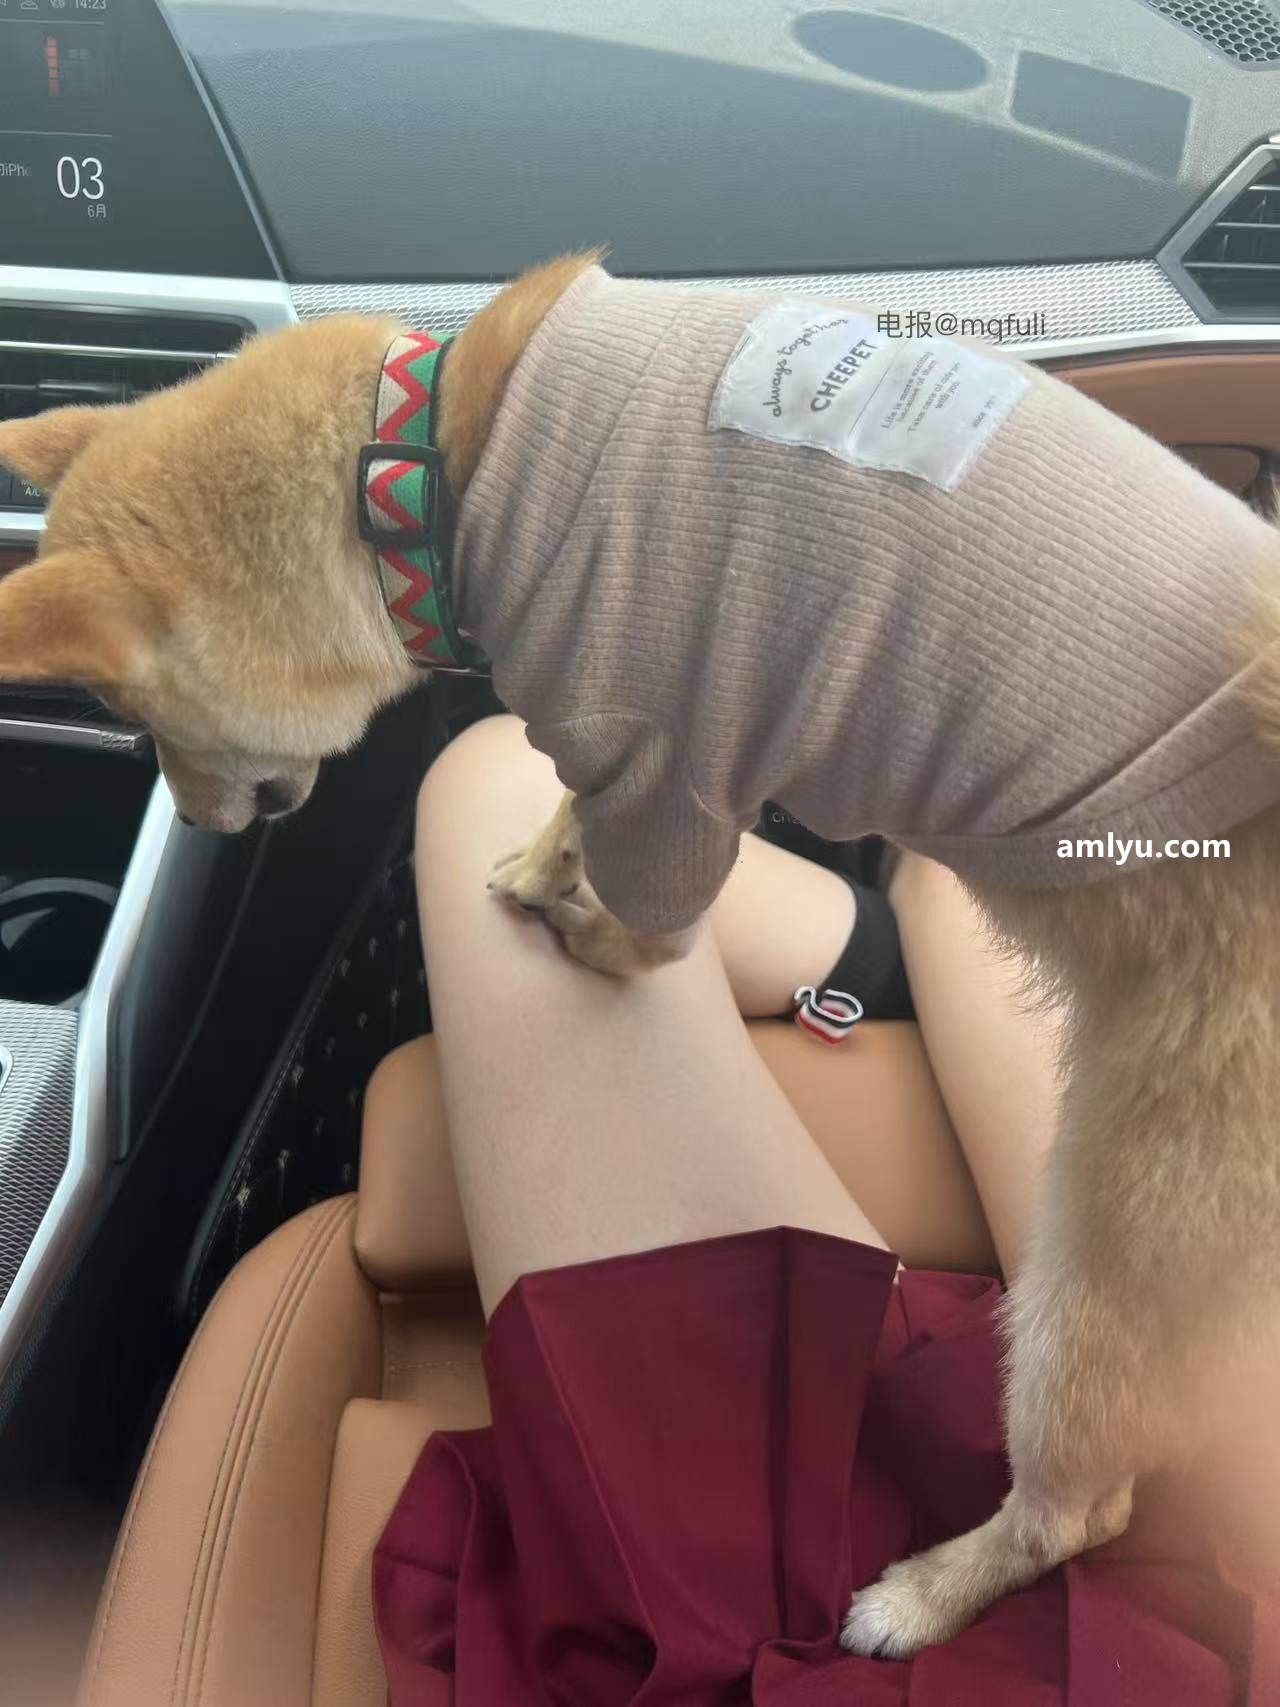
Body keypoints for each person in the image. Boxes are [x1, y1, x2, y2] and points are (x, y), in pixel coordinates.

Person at [373, 714, 1275, 1705]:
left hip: (844, 1589)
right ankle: (890, 945)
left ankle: (891, 942)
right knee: (988, 845)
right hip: (1147, 1446)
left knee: (513, 787)